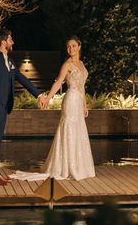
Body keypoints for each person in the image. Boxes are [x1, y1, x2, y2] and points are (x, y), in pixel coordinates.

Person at [10, 36, 95, 181]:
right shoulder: (67, 64)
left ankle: (79, 167)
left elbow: (82, 86)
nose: (71, 49)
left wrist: (85, 104)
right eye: (68, 46)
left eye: (73, 46)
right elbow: (58, 83)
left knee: (78, 130)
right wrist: (48, 98)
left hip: (78, 101)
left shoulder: (81, 63)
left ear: (79, 47)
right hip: (70, 100)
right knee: (68, 129)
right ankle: (65, 167)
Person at [0, 28, 46, 186]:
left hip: (3, 107)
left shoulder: (8, 60)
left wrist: (39, 95)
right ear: (3, 42)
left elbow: (21, 78)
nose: (12, 41)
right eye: (10, 39)